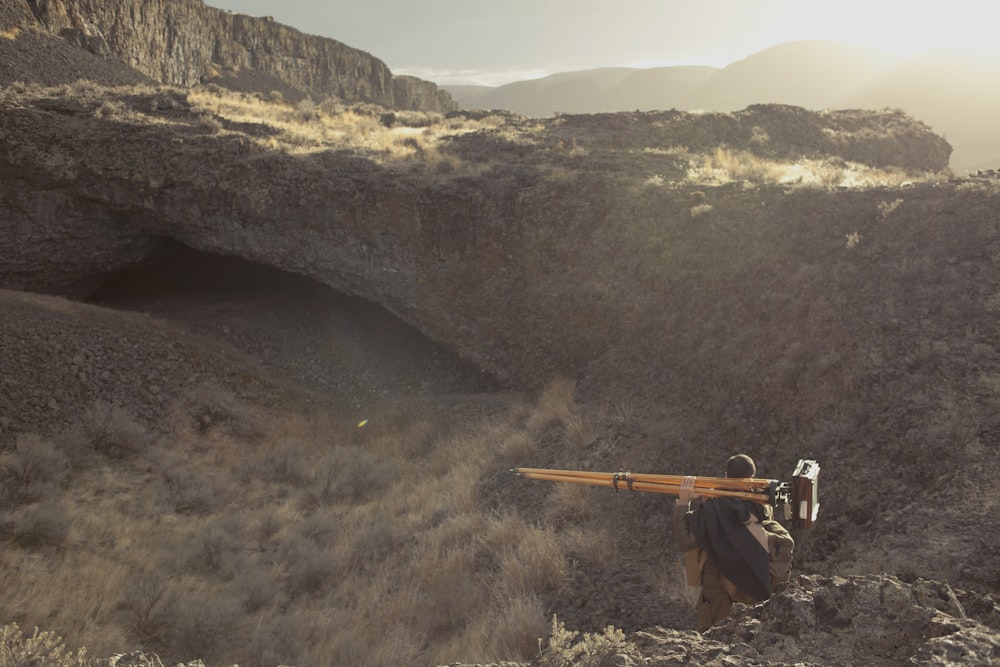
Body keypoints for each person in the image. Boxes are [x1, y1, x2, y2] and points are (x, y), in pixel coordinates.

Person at [673, 453, 794, 631]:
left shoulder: (712, 511)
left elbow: (685, 542)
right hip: (756, 595)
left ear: (725, 476)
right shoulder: (761, 505)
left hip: (720, 603)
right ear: (752, 477)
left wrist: (684, 502)